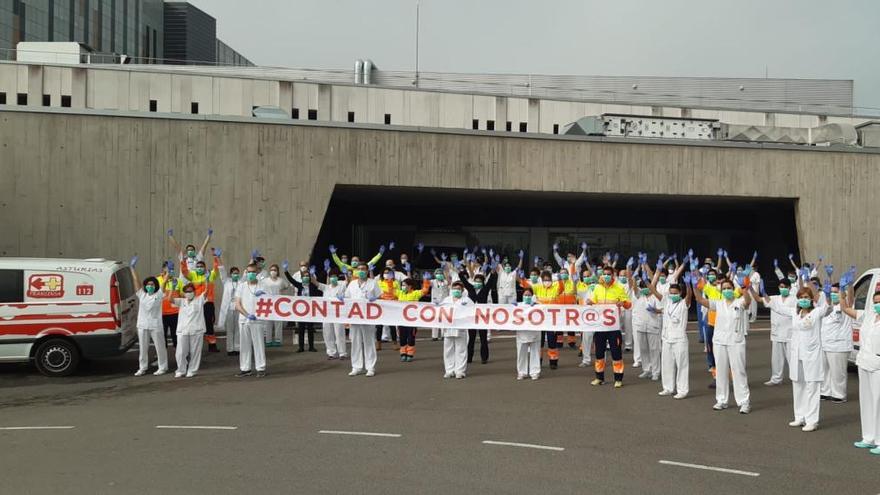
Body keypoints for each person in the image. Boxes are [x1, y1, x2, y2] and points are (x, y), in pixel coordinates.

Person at [693, 277, 752, 413]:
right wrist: (695, 286)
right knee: (721, 371)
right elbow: (700, 300)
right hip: (719, 342)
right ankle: (721, 400)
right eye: (724, 288)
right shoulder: (718, 303)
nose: (727, 290)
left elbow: (748, 301)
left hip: (736, 341)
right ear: (721, 291)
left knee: (739, 372)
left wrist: (744, 288)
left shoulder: (739, 302)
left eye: (729, 288)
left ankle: (744, 402)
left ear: (733, 289)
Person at [840, 289, 880, 454]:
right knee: (867, 401)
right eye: (876, 302)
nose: (878, 305)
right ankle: (869, 437)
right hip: (864, 362)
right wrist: (844, 291)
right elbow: (846, 309)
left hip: (878, 365)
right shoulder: (869, 316)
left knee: (879, 402)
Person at [587, 265, 632, 388]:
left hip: (613, 328)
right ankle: (599, 377)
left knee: (616, 353)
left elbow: (628, 305)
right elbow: (593, 302)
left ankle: (618, 379)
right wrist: (590, 302)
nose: (606, 276)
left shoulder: (619, 288)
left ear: (613, 275)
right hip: (600, 327)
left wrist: (622, 303)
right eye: (604, 274)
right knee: (599, 353)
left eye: (608, 274)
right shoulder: (597, 288)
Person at [651, 276, 692, 399]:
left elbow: (689, 296)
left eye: (675, 293)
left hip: (679, 339)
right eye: (671, 293)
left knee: (682, 365)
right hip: (667, 338)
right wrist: (648, 282)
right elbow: (655, 293)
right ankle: (668, 388)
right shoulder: (667, 302)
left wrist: (688, 285)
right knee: (667, 364)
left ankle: (682, 390)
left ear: (680, 293)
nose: (672, 295)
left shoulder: (684, 304)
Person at [131, 258, 169, 376]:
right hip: (142, 325)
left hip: (155, 325)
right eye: (148, 284)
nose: (150, 286)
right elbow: (136, 280)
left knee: (160, 347)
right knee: (143, 348)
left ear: (155, 286)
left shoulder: (159, 294)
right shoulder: (142, 294)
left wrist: (169, 271)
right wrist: (132, 268)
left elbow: (164, 281)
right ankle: (142, 368)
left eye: (152, 284)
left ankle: (162, 367)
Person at [343, 263, 382, 377]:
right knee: (355, 342)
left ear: (367, 270)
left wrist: (374, 299)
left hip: (368, 317)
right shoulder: (352, 283)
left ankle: (370, 367)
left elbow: (380, 297)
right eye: (359, 269)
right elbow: (346, 297)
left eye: (363, 269)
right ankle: (356, 367)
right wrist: (341, 297)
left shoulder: (373, 283)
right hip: (355, 317)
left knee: (369, 342)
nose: (361, 271)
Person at [820, 283, 855, 403]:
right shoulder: (828, 307)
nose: (834, 294)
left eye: (837, 292)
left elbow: (850, 298)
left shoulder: (846, 306)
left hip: (839, 345)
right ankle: (825, 391)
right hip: (825, 343)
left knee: (838, 372)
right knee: (825, 370)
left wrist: (849, 286)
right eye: (833, 292)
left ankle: (839, 394)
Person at [180, 251, 220, 353]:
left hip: (208, 303)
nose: (199, 268)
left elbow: (216, 270)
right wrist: (183, 261)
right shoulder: (192, 275)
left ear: (205, 267)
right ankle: (196, 346)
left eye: (201, 266)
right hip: (196, 303)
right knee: (196, 324)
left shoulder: (210, 275)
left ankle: (212, 345)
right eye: (198, 266)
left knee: (209, 324)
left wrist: (216, 258)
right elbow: (184, 272)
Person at [757, 279, 795, 386]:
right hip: (777, 332)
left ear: (789, 288)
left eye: (785, 287)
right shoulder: (774, 298)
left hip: (790, 333)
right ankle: (776, 378)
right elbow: (758, 299)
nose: (782, 288)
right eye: (781, 286)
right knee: (776, 359)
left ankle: (795, 378)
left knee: (792, 358)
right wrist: (751, 288)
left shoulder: (795, 299)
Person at [523, 270, 564, 369]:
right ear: (541, 280)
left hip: (551, 320)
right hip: (540, 321)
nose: (547, 281)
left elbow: (562, 288)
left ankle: (553, 361)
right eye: (545, 280)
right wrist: (521, 278)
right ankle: (538, 361)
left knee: (551, 341)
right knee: (539, 342)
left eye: (549, 279)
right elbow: (527, 287)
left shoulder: (555, 287)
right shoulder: (538, 288)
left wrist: (560, 280)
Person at [459, 268, 498, 365]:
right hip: (471, 317)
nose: (477, 282)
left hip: (482, 318)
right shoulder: (471, 288)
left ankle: (484, 358)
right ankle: (469, 358)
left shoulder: (485, 289)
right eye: (476, 281)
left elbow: (490, 281)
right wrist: (460, 271)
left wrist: (493, 273)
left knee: (483, 338)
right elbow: (463, 280)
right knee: (471, 339)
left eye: (479, 281)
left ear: (482, 282)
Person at [235, 264, 269, 378]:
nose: (251, 274)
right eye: (249, 272)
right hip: (244, 319)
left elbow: (270, 301)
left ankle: (261, 368)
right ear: (246, 272)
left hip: (258, 320)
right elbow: (238, 305)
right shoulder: (241, 286)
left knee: (258, 344)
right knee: (244, 345)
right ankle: (245, 369)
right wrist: (247, 315)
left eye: (253, 272)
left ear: (257, 273)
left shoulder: (263, 286)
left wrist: (264, 295)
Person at [169, 283, 207, 378]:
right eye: (186, 291)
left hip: (196, 330)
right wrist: (172, 288)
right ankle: (181, 370)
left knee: (195, 352)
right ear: (184, 293)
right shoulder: (181, 301)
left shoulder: (200, 300)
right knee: (180, 352)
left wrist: (207, 281)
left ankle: (192, 370)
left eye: (190, 291)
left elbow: (206, 292)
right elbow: (169, 299)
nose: (188, 293)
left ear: (194, 292)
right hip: (183, 330)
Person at [313, 268, 348, 360]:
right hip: (327, 314)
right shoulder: (326, 287)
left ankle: (342, 353)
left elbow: (348, 282)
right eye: (331, 276)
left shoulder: (341, 285)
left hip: (338, 313)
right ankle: (331, 352)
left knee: (339, 333)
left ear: (337, 277)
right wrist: (312, 274)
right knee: (327, 333)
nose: (333, 278)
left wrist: (346, 274)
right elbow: (315, 282)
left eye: (334, 276)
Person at [440, 281, 473, 379]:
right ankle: (449, 370)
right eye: (454, 289)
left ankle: (460, 371)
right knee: (448, 350)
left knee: (461, 350)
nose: (456, 291)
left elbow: (473, 311)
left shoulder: (467, 300)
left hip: (461, 328)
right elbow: (439, 312)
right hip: (448, 328)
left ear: (462, 290)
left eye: (458, 289)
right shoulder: (446, 300)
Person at [283, 262, 317, 352]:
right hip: (301, 310)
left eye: (307, 276)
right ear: (301, 278)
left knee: (310, 328)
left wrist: (313, 275)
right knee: (301, 329)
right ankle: (301, 347)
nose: (306, 277)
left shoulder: (312, 286)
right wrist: (286, 271)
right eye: (304, 276)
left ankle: (311, 347)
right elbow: (291, 280)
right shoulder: (299, 285)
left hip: (310, 310)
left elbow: (318, 284)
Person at [632, 275, 661, 382]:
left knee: (654, 349)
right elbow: (634, 289)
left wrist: (655, 310)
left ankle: (656, 372)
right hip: (641, 325)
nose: (644, 289)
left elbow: (662, 310)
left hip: (652, 325)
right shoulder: (640, 296)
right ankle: (646, 369)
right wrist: (634, 279)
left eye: (646, 287)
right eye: (642, 287)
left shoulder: (656, 297)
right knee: (643, 349)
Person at [396, 277, 431, 361]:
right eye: (402, 285)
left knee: (411, 337)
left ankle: (410, 354)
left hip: (412, 320)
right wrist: (389, 281)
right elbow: (389, 293)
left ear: (410, 286)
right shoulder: (400, 293)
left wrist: (426, 281)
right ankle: (403, 353)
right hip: (401, 320)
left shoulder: (415, 293)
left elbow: (425, 290)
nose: (402, 287)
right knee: (402, 337)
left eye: (404, 285)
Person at [260, 263, 292, 347]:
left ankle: (278, 340)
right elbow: (260, 286)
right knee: (268, 323)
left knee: (278, 323)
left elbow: (287, 286)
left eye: (275, 270)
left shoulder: (281, 280)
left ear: (277, 272)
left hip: (278, 304)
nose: (273, 271)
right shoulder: (265, 280)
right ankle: (268, 340)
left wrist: (281, 291)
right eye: (271, 270)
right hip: (268, 303)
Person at [217, 256, 243, 356]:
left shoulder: (241, 282)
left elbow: (246, 273)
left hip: (238, 307)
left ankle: (237, 348)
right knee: (230, 329)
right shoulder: (226, 282)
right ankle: (230, 349)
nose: (235, 275)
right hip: (229, 308)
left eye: (237, 273)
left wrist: (252, 259)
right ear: (230, 274)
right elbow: (222, 271)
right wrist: (218, 257)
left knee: (237, 329)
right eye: (234, 273)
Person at [515, 289, 541, 380]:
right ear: (522, 296)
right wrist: (510, 307)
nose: (527, 296)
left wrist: (538, 306)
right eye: (525, 295)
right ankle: (521, 372)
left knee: (535, 352)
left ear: (532, 296)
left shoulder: (537, 305)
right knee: (521, 353)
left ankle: (535, 372)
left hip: (535, 332)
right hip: (522, 333)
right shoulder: (518, 306)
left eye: (529, 295)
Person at [157, 261, 183, 347]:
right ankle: (161, 357)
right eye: (169, 268)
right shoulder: (158, 280)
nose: (171, 270)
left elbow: (182, 296)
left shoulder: (178, 281)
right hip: (161, 314)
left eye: (172, 268)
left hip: (175, 313)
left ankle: (179, 355)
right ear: (163, 268)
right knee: (161, 336)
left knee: (176, 335)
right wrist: (166, 278)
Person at [429, 267, 451, 341]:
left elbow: (449, 282)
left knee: (443, 319)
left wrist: (445, 272)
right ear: (435, 275)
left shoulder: (445, 281)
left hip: (444, 303)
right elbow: (427, 284)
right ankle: (434, 336)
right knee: (435, 319)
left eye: (440, 273)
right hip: (435, 303)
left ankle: (443, 335)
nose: (439, 275)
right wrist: (426, 279)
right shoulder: (433, 281)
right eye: (438, 273)